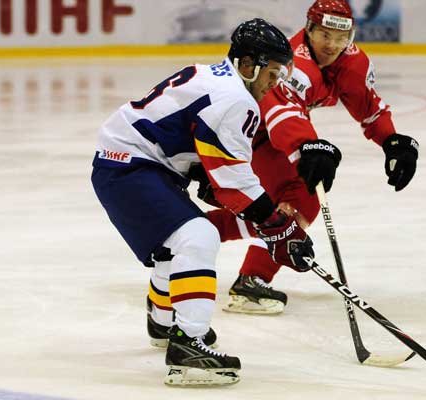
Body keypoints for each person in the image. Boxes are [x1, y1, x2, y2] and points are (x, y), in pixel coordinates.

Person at [90, 18, 314, 386]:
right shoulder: (235, 100)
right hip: (131, 167)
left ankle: (164, 323)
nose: (275, 84)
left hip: (131, 163)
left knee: (174, 244)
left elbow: (189, 137)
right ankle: (187, 345)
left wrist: (202, 175)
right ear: (248, 65)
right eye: (271, 74)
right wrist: (279, 227)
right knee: (198, 237)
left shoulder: (211, 74)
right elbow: (235, 183)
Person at [202, 0, 419, 315]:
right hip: (246, 128)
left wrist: (391, 140)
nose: (332, 45)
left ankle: (196, 231)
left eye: (341, 37)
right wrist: (305, 147)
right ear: (309, 29)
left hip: (263, 130)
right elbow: (279, 112)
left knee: (284, 205)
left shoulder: (352, 62)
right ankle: (251, 279)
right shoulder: (294, 64)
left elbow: (369, 106)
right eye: (324, 35)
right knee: (302, 197)